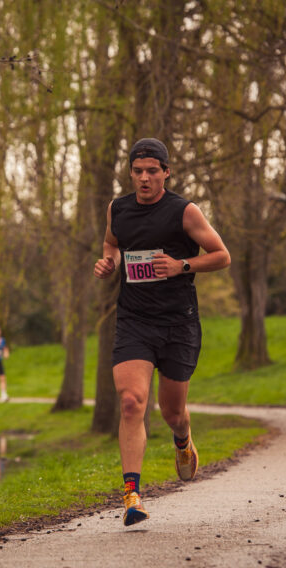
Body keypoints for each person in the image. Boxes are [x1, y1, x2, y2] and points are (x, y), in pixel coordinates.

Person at [93, 137, 231, 526]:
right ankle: (132, 496)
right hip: (135, 320)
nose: (144, 178)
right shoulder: (117, 209)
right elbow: (111, 243)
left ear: (166, 172)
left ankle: (183, 441)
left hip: (178, 321)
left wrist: (180, 266)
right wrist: (108, 263)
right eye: (137, 172)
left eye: (152, 171)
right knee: (132, 402)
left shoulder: (184, 212)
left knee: (172, 412)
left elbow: (222, 256)